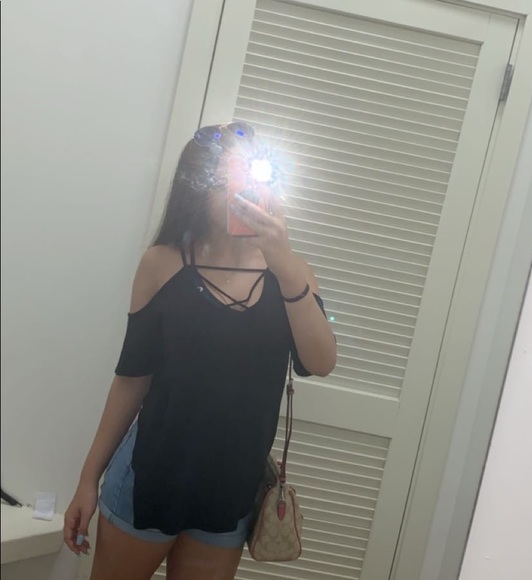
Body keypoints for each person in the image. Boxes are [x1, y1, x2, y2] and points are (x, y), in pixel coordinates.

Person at [63, 122, 337, 580]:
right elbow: (132, 378)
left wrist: (283, 262)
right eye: (229, 177)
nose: (242, 191)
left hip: (230, 491)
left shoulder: (291, 272)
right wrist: (88, 479)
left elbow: (321, 362)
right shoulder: (162, 263)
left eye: (252, 175)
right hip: (148, 477)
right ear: (199, 184)